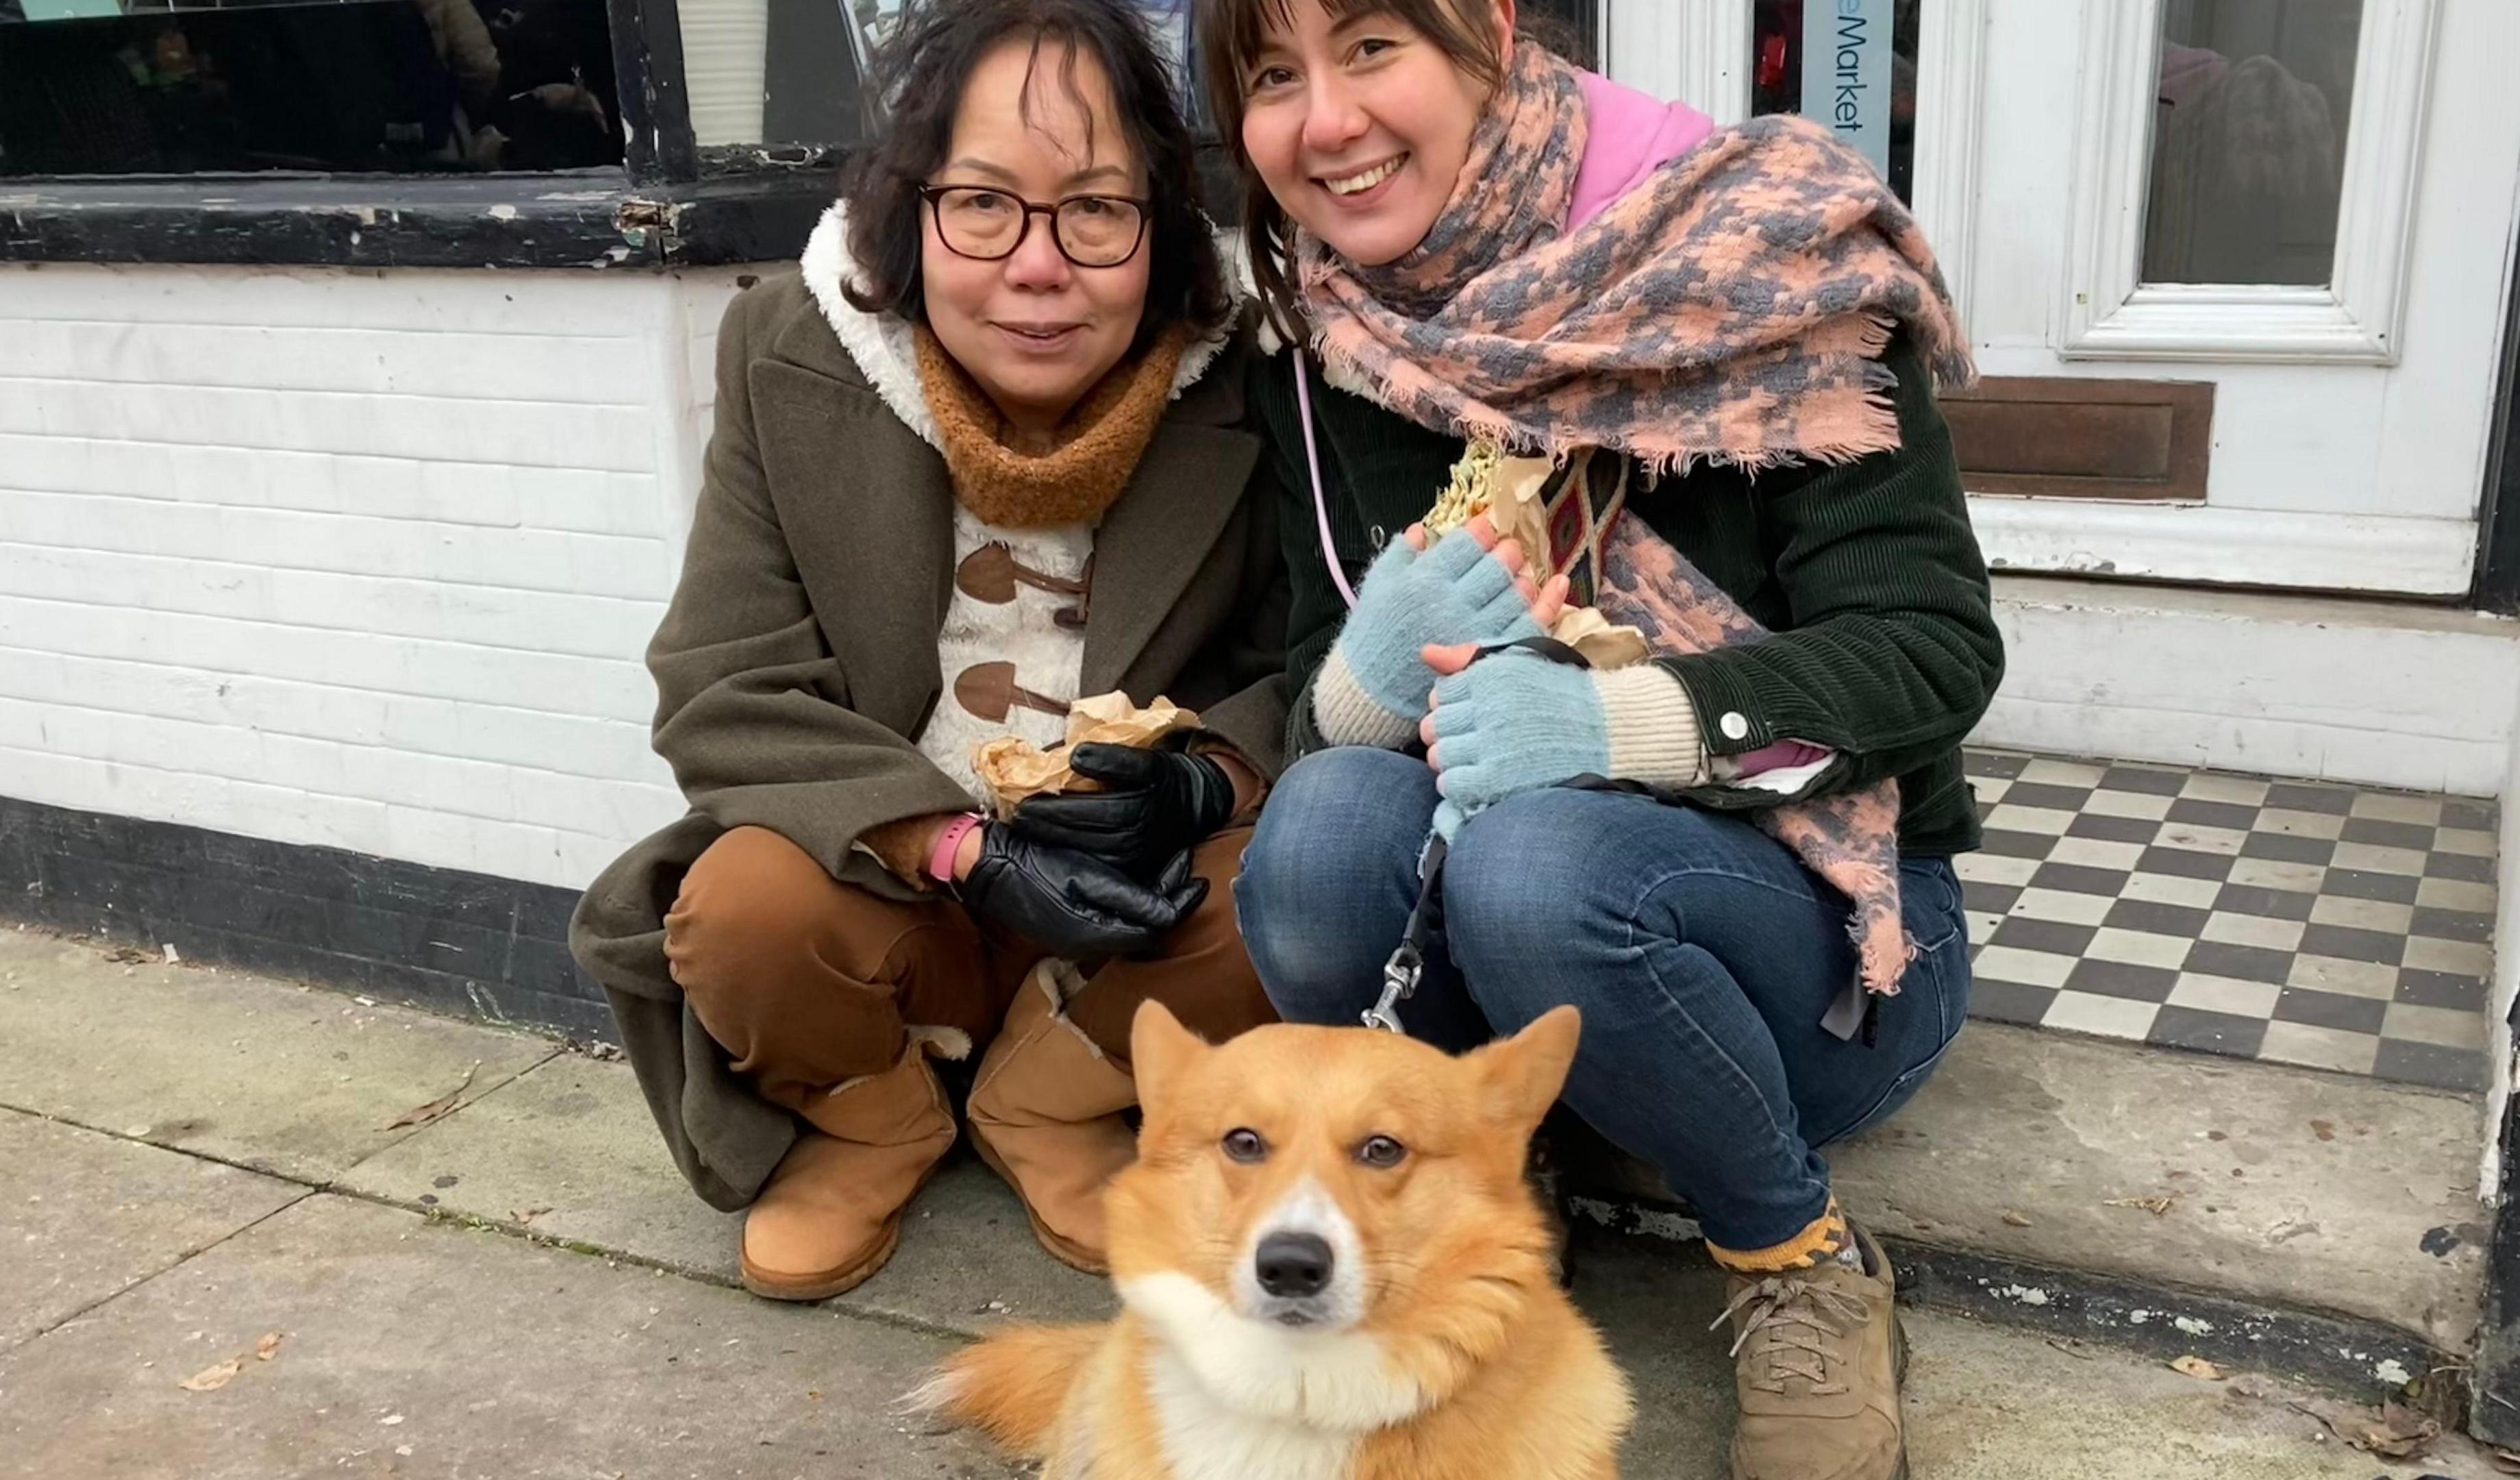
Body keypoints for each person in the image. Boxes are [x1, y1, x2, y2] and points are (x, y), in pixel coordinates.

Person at [1197, 2, 2001, 1477]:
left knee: (1537, 861)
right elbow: (1314, 685)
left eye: (1371, 45)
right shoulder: (1328, 337)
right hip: (1521, 998)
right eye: (1271, 75)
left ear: (1491, 29)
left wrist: (1625, 720)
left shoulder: (1776, 253)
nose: (1324, 121)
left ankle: (1798, 1257)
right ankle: (1493, 1187)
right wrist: (1363, 680)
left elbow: (1935, 649)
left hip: (1809, 964)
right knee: (1315, 834)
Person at [571, 0, 1290, 1303]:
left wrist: (1204, 778)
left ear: (1161, 225)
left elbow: (1296, 659)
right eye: (982, 205)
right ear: (910, 211)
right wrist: (961, 845)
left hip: (1123, 915)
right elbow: (724, 687)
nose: (1037, 266)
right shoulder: (789, 350)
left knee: (1300, 879)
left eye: (1094, 210)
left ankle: (1059, 1098)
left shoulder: (1244, 375)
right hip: (887, 897)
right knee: (739, 907)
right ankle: (871, 1117)